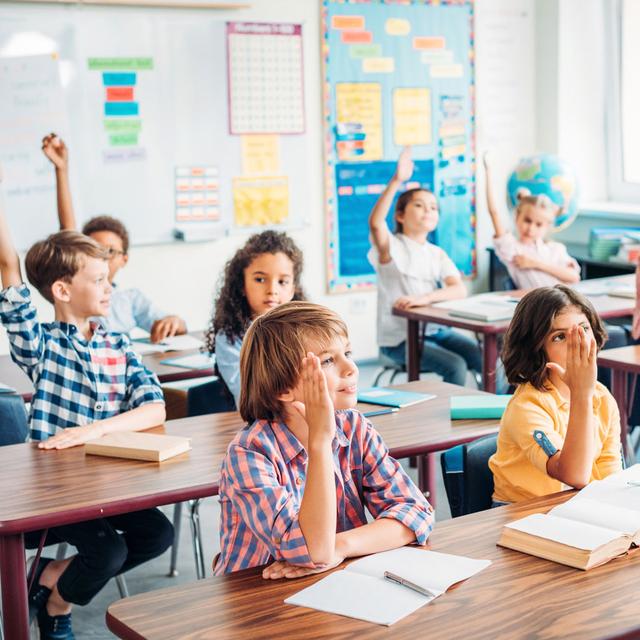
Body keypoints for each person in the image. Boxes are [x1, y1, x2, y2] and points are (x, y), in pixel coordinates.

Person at [0, 179, 172, 639]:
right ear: (61, 289)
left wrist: (93, 431)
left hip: (110, 482)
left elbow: (154, 407)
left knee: (158, 535)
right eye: (98, 280)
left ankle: (53, 585)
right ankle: (57, 611)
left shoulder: (118, 344)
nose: (109, 286)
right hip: (59, 491)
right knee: (109, 554)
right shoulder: (41, 346)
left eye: (108, 277)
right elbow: (7, 265)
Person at [213, 302, 433, 576]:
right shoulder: (249, 454)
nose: (350, 367)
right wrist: (320, 442)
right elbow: (312, 550)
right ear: (282, 387)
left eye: (347, 353)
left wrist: (340, 546)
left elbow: (415, 512)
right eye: (328, 360)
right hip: (257, 598)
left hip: (335, 579)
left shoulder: (355, 428)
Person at [41, 132, 187, 342]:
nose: (102, 257)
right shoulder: (77, 294)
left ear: (124, 259)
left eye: (109, 251)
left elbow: (172, 324)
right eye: (94, 250)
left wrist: (175, 321)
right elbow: (68, 230)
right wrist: (61, 169)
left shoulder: (130, 299)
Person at [489, 286, 622, 504]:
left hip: (575, 506)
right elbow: (574, 475)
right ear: (536, 349)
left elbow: (609, 477)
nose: (576, 343)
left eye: (583, 329)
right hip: (521, 515)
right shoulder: (527, 406)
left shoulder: (602, 397)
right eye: (560, 337)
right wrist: (582, 394)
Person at [367, 147, 481, 386]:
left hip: (435, 332)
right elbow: (376, 223)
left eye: (433, 207)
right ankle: (453, 419)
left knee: (482, 354)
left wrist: (425, 298)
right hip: (399, 340)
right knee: (456, 365)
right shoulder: (392, 248)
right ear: (399, 215)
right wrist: (397, 180)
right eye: (419, 205)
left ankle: (500, 408)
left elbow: (458, 289)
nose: (428, 210)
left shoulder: (436, 253)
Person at [205, 230, 305, 407]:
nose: (272, 290)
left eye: (282, 282)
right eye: (260, 279)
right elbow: (248, 397)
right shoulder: (230, 338)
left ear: (293, 289)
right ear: (242, 285)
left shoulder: (306, 330)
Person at [483, 152, 580, 289]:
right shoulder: (513, 249)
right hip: (537, 308)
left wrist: (535, 263)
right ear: (517, 217)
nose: (531, 229)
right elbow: (494, 212)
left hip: (562, 305)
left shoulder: (555, 249)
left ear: (547, 226)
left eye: (539, 224)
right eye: (527, 221)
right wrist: (488, 171)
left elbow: (574, 277)